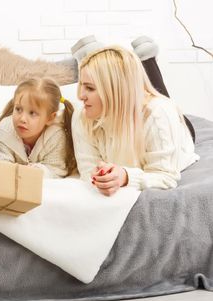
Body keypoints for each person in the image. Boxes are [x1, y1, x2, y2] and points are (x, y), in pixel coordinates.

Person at [72, 46, 199, 196]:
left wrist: (126, 177)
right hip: (126, 106)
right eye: (81, 85)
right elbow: (88, 171)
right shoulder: (83, 115)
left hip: (178, 132)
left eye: (90, 88)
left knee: (160, 96)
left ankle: (148, 60)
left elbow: (165, 176)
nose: (80, 95)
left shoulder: (158, 114)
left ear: (113, 90)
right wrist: (100, 178)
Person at [0, 78, 76, 178]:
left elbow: (56, 169)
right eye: (18, 109)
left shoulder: (56, 136)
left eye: (32, 113)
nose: (22, 119)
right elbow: (0, 168)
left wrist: (36, 171)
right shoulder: (3, 132)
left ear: (50, 118)